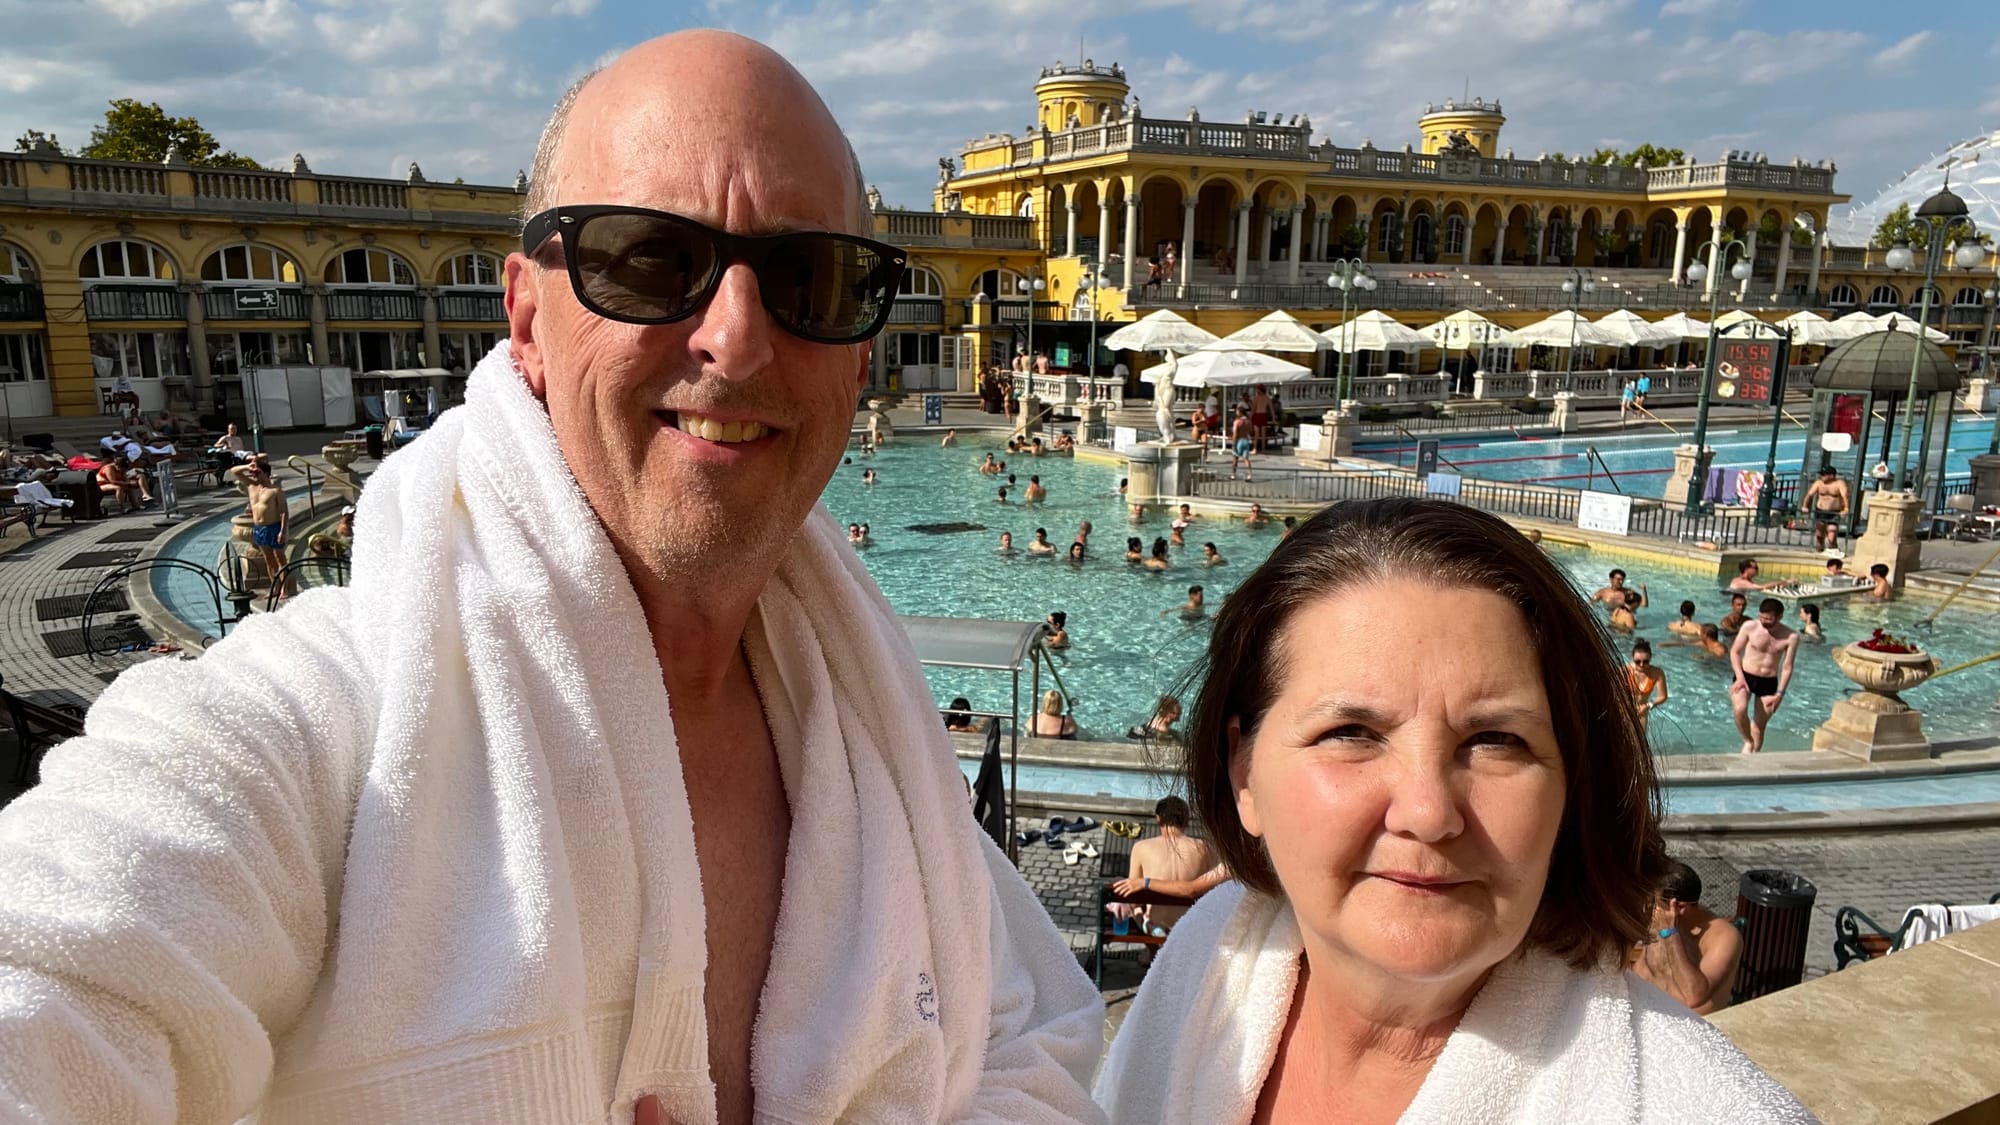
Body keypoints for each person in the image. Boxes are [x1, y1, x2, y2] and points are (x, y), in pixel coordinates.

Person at [0, 33, 1101, 1124]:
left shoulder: (873, 743)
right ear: (525, 316)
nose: (736, 338)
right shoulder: (316, 732)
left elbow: (1030, 1038)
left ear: (862, 352)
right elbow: (56, 976)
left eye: (807, 277)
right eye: (649, 260)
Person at [1094, 498, 1807, 1122]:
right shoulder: (1209, 958)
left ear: (1573, 785)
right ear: (1243, 771)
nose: (1430, 812)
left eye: (1496, 740)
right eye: (1352, 733)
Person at [1627, 860, 1744, 1017]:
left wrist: (1670, 932)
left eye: (1655, 904)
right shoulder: (1659, 921)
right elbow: (1642, 971)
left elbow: (1693, 997)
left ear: (1680, 908)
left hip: (1692, 1024)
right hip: (1653, 1013)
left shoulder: (1725, 937)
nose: (1651, 910)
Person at [1114, 796, 1216, 938]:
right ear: (1186, 820)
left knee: (1136, 908)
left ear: (1158, 819)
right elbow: (1214, 891)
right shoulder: (1205, 848)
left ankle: (1152, 952)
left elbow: (1134, 893)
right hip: (1191, 926)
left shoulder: (1141, 848)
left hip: (1156, 929)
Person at [1731, 598, 1801, 754]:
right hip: (1746, 676)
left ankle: (1753, 758)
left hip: (1768, 682)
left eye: (1769, 620)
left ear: (1780, 617)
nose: (1764, 623)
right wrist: (1739, 677)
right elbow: (1735, 651)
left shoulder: (1791, 637)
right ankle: (1748, 741)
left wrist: (1780, 694)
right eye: (1762, 618)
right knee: (1739, 709)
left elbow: (1787, 667)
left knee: (1758, 727)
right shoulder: (1750, 627)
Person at [245, 458, 295, 599]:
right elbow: (234, 472)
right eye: (254, 472)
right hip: (259, 528)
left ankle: (285, 589)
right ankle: (274, 588)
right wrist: (250, 465)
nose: (255, 475)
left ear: (266, 474)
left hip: (274, 527)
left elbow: (284, 512)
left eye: (258, 472)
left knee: (280, 559)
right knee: (268, 560)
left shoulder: (275, 491)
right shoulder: (252, 488)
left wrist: (282, 531)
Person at [1800, 466, 1849, 551]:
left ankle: (1834, 549)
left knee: (1831, 535)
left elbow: (1845, 497)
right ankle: (1820, 550)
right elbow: (1809, 495)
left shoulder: (1839, 483)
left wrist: (1846, 508)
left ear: (1831, 476)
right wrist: (1804, 506)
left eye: (1824, 475)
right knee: (1819, 535)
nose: (1821, 476)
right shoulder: (1818, 483)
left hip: (1833, 512)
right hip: (1820, 511)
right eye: (1821, 474)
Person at [1625, 639, 1668, 732]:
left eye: (1645, 661)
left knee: (1640, 744)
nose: (1641, 665)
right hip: (1625, 710)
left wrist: (1649, 705)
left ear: (1650, 659)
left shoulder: (1657, 673)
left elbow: (1663, 696)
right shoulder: (1625, 671)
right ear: (1632, 658)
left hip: (1642, 711)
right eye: (1637, 661)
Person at [1229, 406, 1254, 481]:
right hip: (1246, 440)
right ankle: (1249, 475)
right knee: (1246, 459)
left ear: (1240, 412)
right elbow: (1251, 431)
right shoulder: (1248, 421)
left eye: (1237, 411)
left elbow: (1235, 433)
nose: (1236, 413)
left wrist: (1233, 443)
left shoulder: (1237, 421)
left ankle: (1233, 474)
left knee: (1235, 459)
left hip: (1239, 441)